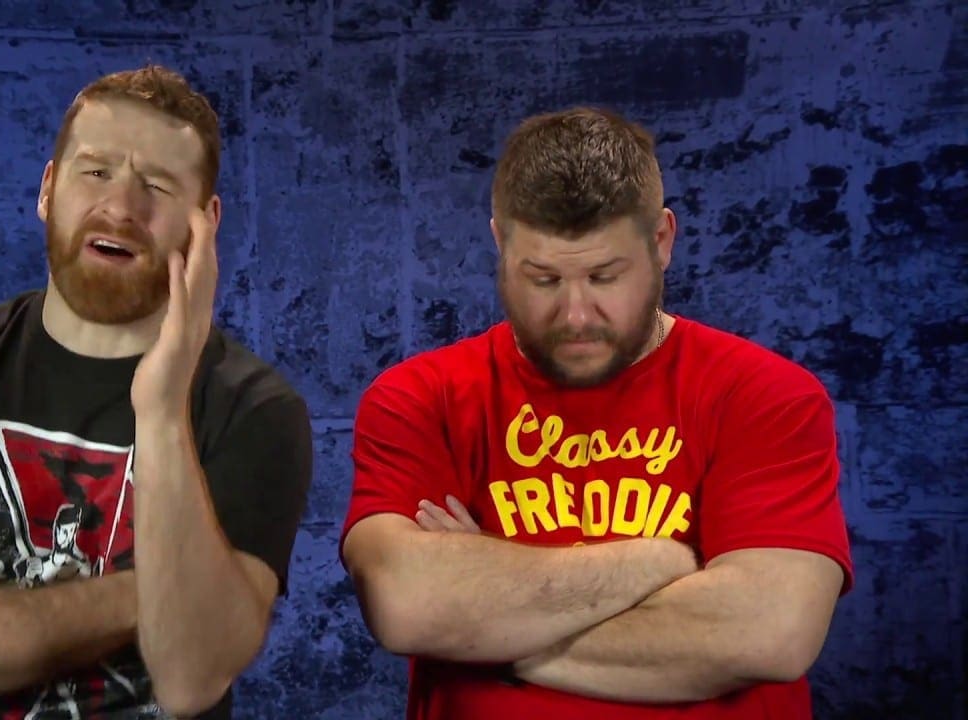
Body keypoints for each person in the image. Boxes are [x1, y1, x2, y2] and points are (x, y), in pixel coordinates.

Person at [340, 106, 852, 719]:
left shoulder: (768, 396)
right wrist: (659, 562)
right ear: (500, 242)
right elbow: (404, 605)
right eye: (544, 279)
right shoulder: (420, 398)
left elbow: (770, 634)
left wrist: (488, 627)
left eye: (605, 277)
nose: (576, 315)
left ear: (661, 241)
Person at [0, 64, 312, 720]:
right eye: (96, 172)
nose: (121, 208)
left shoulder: (254, 410)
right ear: (48, 190)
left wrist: (162, 408)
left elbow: (190, 678)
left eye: (157, 186)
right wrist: (149, 595)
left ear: (205, 222)